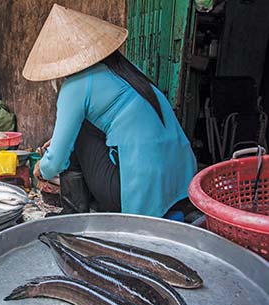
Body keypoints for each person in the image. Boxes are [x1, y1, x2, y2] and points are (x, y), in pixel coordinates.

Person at [28, 5, 197, 218]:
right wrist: (58, 141)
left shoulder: (76, 86)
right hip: (183, 186)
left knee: (76, 135)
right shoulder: (128, 72)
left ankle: (72, 214)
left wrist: (40, 170)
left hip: (140, 195)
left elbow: (55, 162)